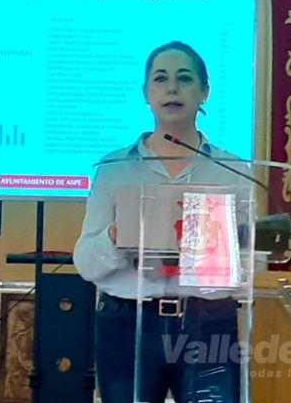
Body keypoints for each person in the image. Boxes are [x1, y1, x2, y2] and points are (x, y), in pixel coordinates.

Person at [73, 41, 251, 403]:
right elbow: (86, 262)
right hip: (128, 324)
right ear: (146, 94)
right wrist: (116, 235)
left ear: (204, 91)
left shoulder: (233, 172)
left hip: (208, 322)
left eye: (184, 78)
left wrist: (224, 249)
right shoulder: (114, 170)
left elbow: (248, 261)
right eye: (161, 79)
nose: (172, 88)